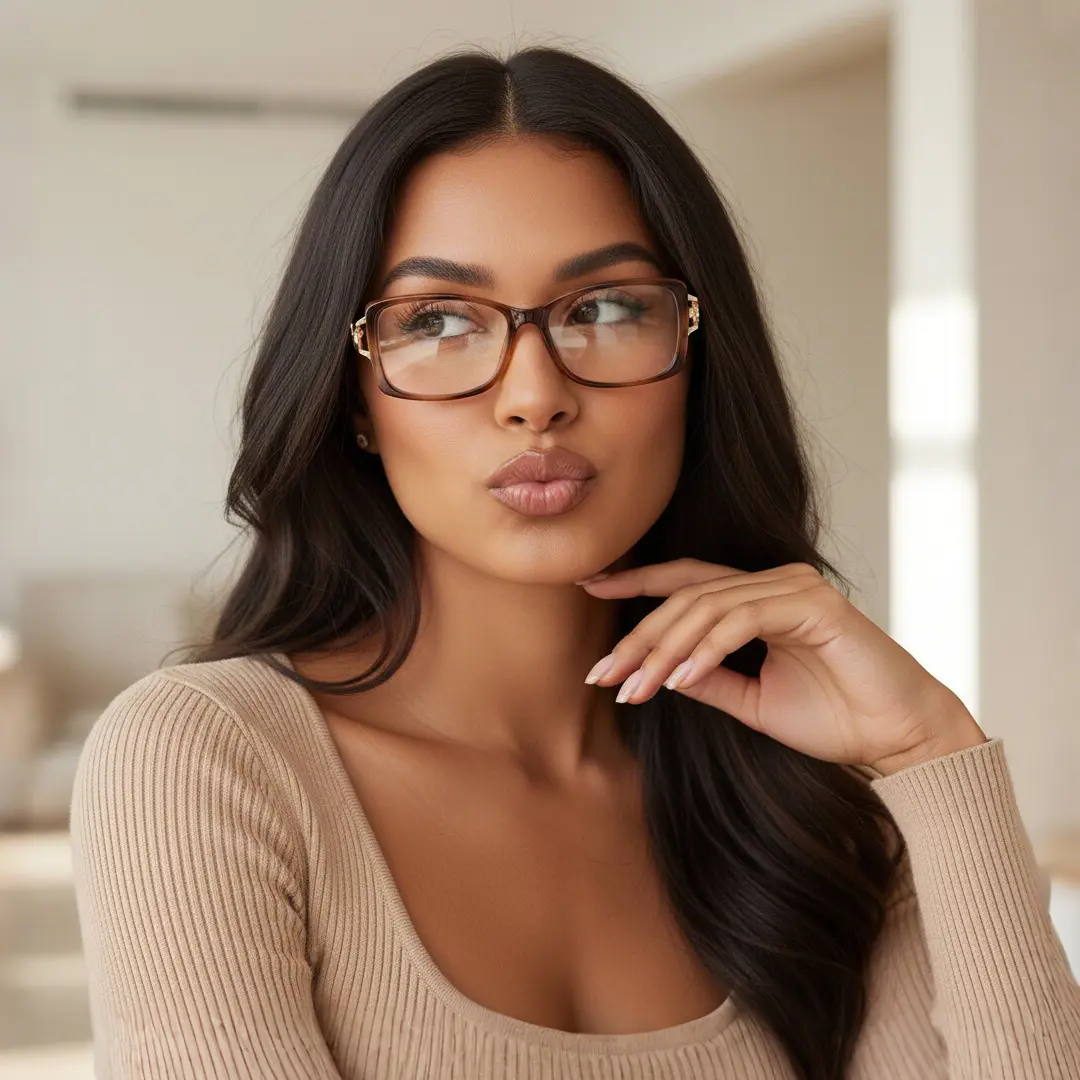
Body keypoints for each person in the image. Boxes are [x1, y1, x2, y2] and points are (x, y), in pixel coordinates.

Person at [69, 45, 1080, 1080]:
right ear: (353, 399)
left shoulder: (815, 803)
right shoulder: (209, 762)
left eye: (605, 308)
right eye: (440, 321)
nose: (533, 394)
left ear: (695, 360)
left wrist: (930, 752)